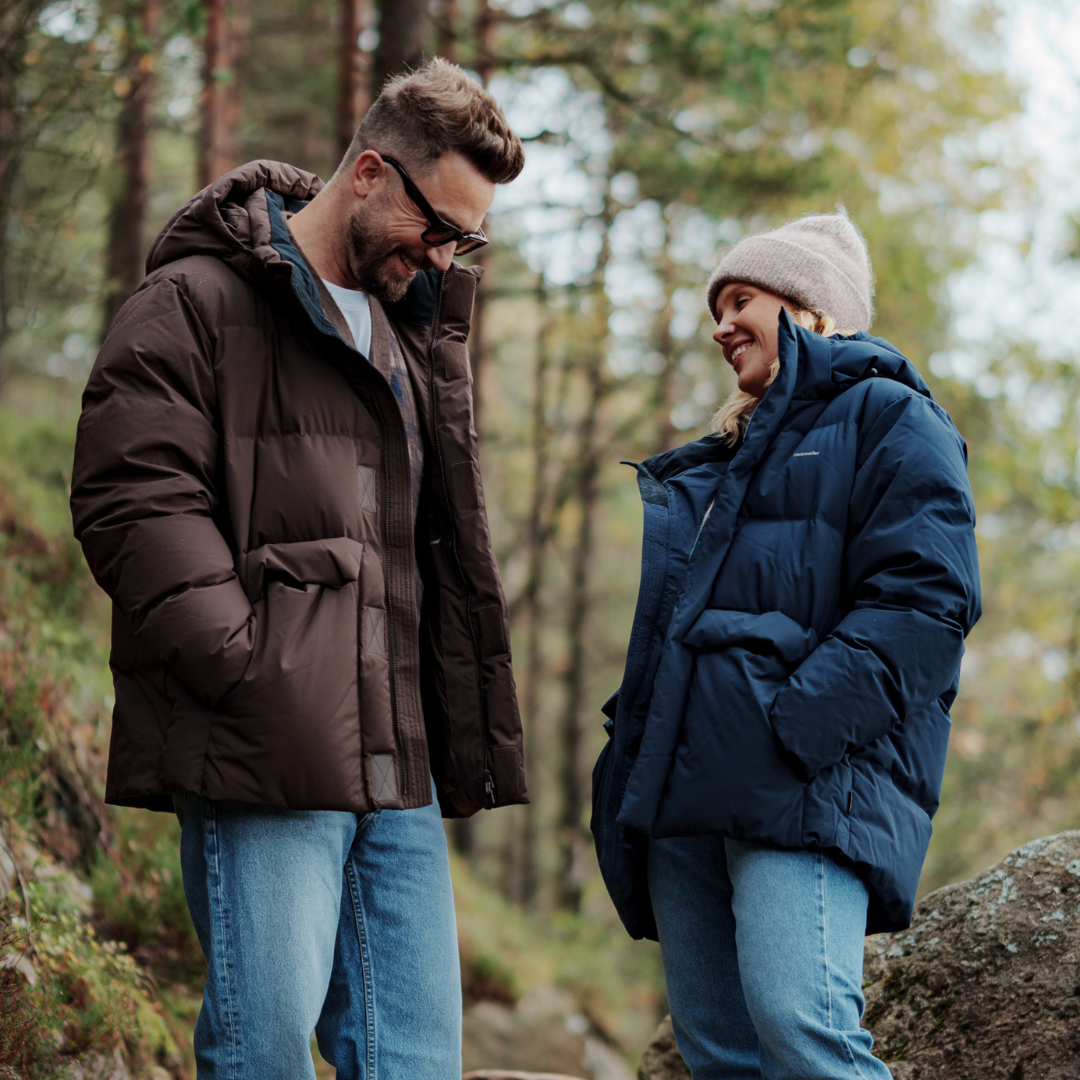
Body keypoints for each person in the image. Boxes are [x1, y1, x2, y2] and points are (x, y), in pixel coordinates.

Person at [70, 58, 527, 1080]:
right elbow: (131, 496)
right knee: (263, 1054)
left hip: (397, 768)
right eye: (439, 227)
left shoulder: (412, 339)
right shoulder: (192, 302)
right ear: (369, 172)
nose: (448, 257)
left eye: (468, 239)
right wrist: (248, 666)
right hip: (266, 747)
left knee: (415, 1064)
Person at [591, 212, 981, 1079]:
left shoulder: (891, 417)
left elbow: (929, 602)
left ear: (810, 309)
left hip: (797, 785)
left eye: (741, 300)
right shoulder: (725, 456)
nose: (721, 325)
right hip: (682, 794)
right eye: (715, 308)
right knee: (719, 1057)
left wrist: (790, 728)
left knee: (806, 1034)